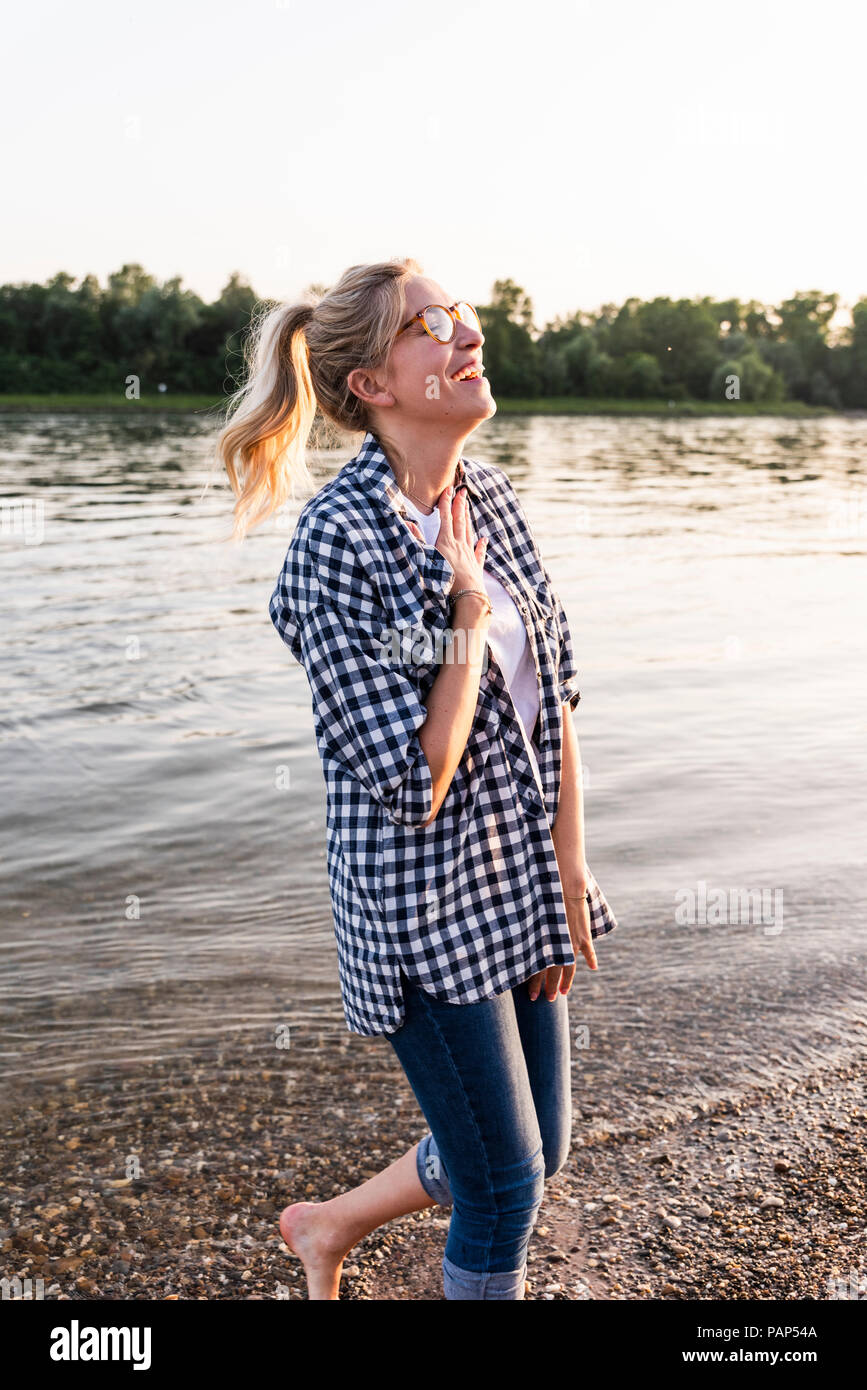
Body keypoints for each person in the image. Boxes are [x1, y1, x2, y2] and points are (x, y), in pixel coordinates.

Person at [217, 256, 617, 1300]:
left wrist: (567, 872)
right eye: (431, 324)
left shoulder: (490, 495)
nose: (467, 334)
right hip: (417, 907)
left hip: (514, 878)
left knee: (542, 1148)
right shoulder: (333, 547)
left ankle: (328, 1225)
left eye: (462, 313)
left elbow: (559, 696)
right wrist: (466, 622)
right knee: (504, 1183)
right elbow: (413, 784)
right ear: (373, 386)